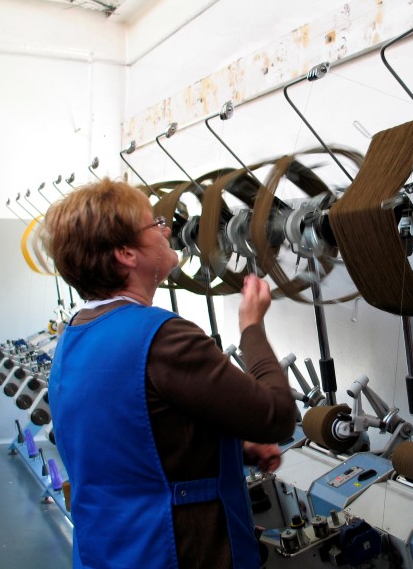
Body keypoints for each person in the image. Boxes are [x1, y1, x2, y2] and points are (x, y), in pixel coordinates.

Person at [42, 177, 296, 569]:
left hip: (108, 551)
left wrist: (234, 449)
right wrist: (252, 328)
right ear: (127, 253)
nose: (166, 231)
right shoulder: (161, 337)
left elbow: (130, 440)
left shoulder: (75, 334)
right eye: (154, 224)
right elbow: (277, 417)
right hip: (174, 551)